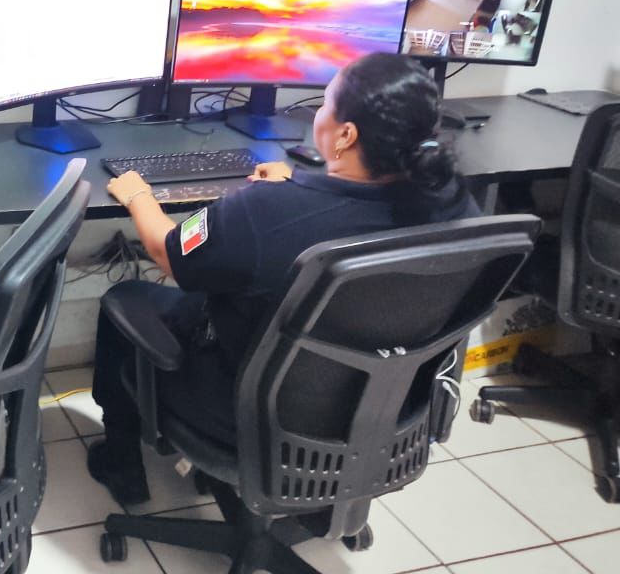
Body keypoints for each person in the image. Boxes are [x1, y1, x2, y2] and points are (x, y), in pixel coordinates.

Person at [87, 52, 480, 506]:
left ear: (346, 135)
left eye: (324, 103)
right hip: (384, 416)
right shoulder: (455, 204)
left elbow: (168, 253)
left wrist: (137, 194)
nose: (317, 114)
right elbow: (353, 211)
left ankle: (122, 463)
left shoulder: (263, 212)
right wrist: (301, 184)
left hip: (248, 419)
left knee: (125, 301)